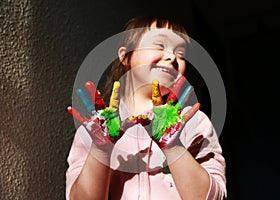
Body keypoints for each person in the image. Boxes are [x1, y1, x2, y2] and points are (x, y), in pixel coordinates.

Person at [66, 16, 226, 200]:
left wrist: (173, 147)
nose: (172, 57)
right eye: (159, 45)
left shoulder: (195, 124)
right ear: (125, 56)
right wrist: (100, 150)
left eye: (181, 54)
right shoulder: (94, 128)